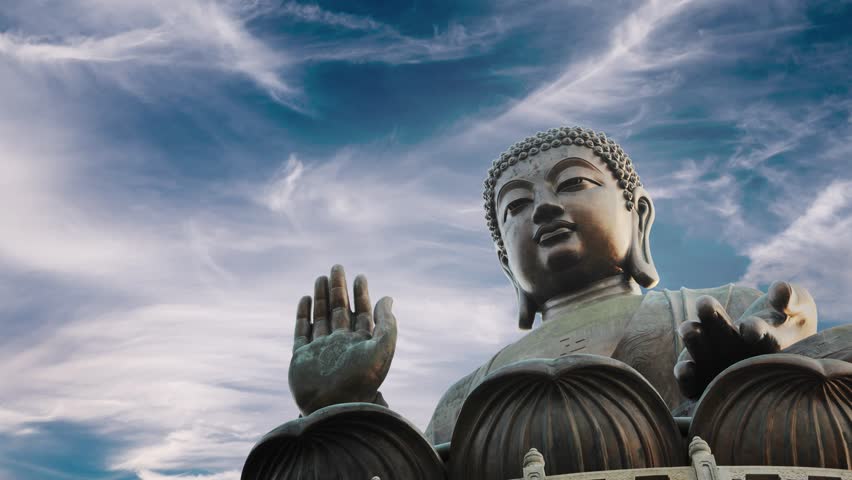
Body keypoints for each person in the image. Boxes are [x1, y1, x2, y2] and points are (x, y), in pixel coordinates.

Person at [287, 126, 822, 446]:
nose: (543, 206)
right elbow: (417, 470)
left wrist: (778, 345)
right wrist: (348, 406)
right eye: (516, 205)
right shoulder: (470, 393)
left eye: (573, 183)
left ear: (638, 218)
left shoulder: (712, 311)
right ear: (506, 264)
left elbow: (789, 315)